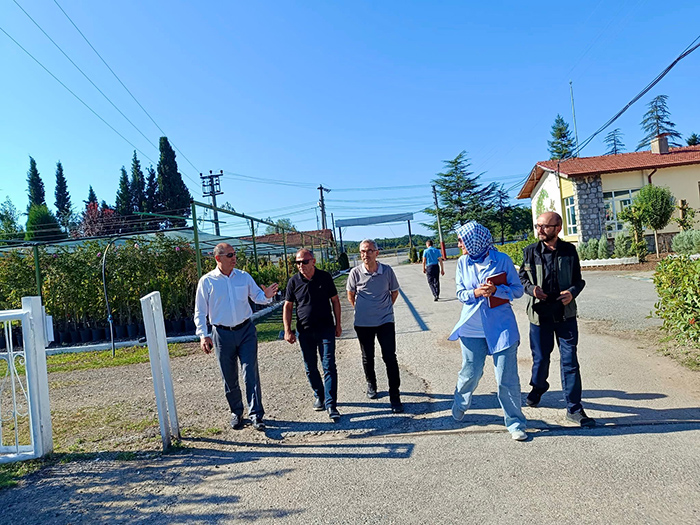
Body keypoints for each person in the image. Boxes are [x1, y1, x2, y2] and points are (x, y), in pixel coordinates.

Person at [448, 221, 528, 441]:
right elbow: (460, 293)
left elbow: (517, 290)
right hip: (471, 330)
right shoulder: (462, 262)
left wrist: (496, 290)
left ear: (475, 241)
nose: (459, 244)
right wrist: (475, 293)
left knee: (506, 378)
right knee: (470, 373)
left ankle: (515, 423)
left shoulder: (502, 260)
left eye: (462, 241)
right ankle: (460, 402)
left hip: (501, 328)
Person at [519, 211, 595, 428]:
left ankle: (574, 409)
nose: (540, 230)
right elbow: (522, 277)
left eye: (544, 226)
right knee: (541, 359)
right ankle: (538, 386)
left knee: (570, 362)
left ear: (558, 228)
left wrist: (572, 292)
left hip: (565, 315)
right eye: (538, 226)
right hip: (540, 315)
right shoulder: (530, 251)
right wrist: (531, 289)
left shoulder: (569, 251)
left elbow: (578, 281)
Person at [194, 243, 279, 432]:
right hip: (221, 334)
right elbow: (200, 311)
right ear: (218, 258)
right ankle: (236, 412)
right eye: (230, 255)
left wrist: (266, 296)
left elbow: (257, 296)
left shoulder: (243, 277)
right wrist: (203, 335)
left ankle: (256, 414)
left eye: (234, 254)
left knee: (250, 372)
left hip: (246, 330)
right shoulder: (207, 282)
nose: (234, 258)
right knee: (229, 376)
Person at [283, 249, 342, 422]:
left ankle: (331, 404)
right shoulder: (293, 281)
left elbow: (335, 301)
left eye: (304, 262)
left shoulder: (325, 277)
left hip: (325, 329)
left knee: (328, 365)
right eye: (297, 262)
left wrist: (338, 324)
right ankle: (319, 394)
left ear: (313, 261)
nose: (301, 265)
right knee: (310, 367)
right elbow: (288, 306)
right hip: (305, 331)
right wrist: (287, 330)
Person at [346, 239, 404, 413]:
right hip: (363, 323)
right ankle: (371, 384)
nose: (366, 254)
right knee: (367, 356)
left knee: (390, 357)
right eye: (363, 251)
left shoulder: (387, 271)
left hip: (385, 321)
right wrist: (362, 310)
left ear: (377, 253)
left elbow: (394, 292)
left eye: (369, 251)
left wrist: (384, 308)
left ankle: (395, 396)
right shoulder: (355, 273)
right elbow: (350, 294)